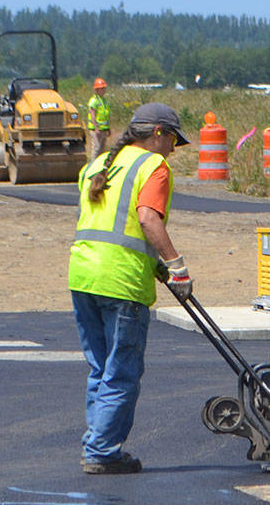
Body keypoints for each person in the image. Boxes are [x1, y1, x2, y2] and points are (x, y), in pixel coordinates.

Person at [67, 100, 191, 475]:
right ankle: (102, 451)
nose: (173, 149)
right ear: (158, 134)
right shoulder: (154, 166)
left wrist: (155, 265)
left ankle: (97, 443)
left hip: (84, 276)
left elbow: (111, 225)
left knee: (100, 368)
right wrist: (176, 267)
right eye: (172, 140)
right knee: (121, 371)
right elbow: (147, 219)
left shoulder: (98, 165)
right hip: (121, 283)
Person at [84, 78, 111, 159]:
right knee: (97, 149)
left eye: (104, 88)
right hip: (96, 130)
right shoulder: (94, 101)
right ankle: (93, 166)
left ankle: (100, 167)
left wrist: (108, 128)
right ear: (97, 90)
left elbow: (106, 116)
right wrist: (96, 128)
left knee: (102, 150)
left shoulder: (104, 100)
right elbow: (92, 115)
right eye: (102, 88)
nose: (103, 90)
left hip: (103, 129)